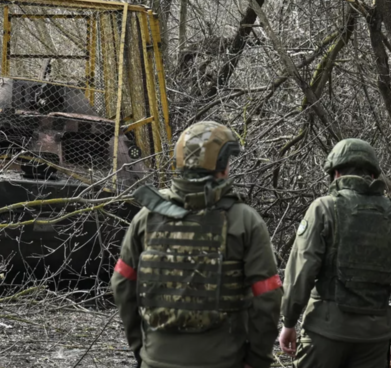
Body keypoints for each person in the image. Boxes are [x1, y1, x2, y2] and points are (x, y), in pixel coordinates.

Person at [111, 121, 282, 368]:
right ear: (222, 166)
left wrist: (142, 349)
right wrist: (257, 360)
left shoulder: (147, 217)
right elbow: (267, 297)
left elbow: (122, 283)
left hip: (156, 360)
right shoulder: (244, 220)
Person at [279, 138, 391, 368]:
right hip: (375, 338)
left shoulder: (324, 208)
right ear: (373, 175)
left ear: (336, 173)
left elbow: (301, 271)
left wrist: (289, 321)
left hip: (326, 331)